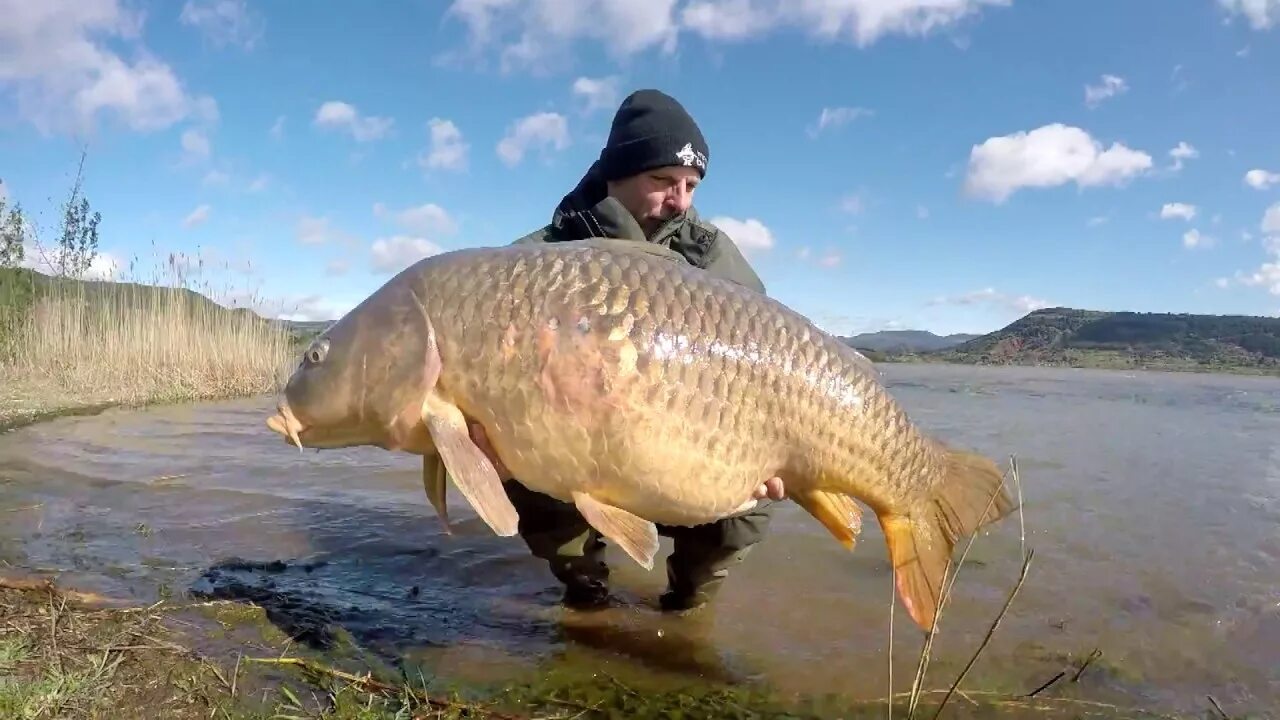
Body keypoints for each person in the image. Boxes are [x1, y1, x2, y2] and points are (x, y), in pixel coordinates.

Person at [468, 88, 785, 614]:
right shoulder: (536, 258)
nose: (680, 200)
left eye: (690, 185)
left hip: (681, 452)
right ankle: (587, 595)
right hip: (573, 454)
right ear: (616, 174)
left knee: (748, 512)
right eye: (662, 181)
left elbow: (767, 368)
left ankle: (686, 607)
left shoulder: (714, 258)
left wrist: (773, 454)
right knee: (534, 489)